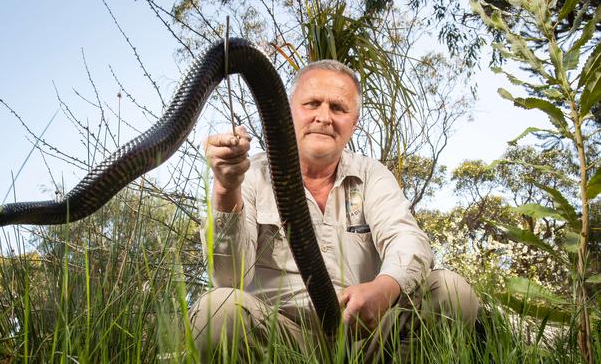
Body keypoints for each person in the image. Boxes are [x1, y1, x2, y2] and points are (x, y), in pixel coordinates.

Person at [190, 60, 479, 362]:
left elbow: (407, 240)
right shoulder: (250, 174)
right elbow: (228, 277)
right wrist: (225, 188)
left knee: (451, 292)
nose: (324, 117)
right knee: (216, 311)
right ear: (288, 113)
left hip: (363, 338)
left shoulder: (372, 175)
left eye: (338, 108)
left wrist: (384, 288)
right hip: (277, 341)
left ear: (353, 123)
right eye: (312, 103)